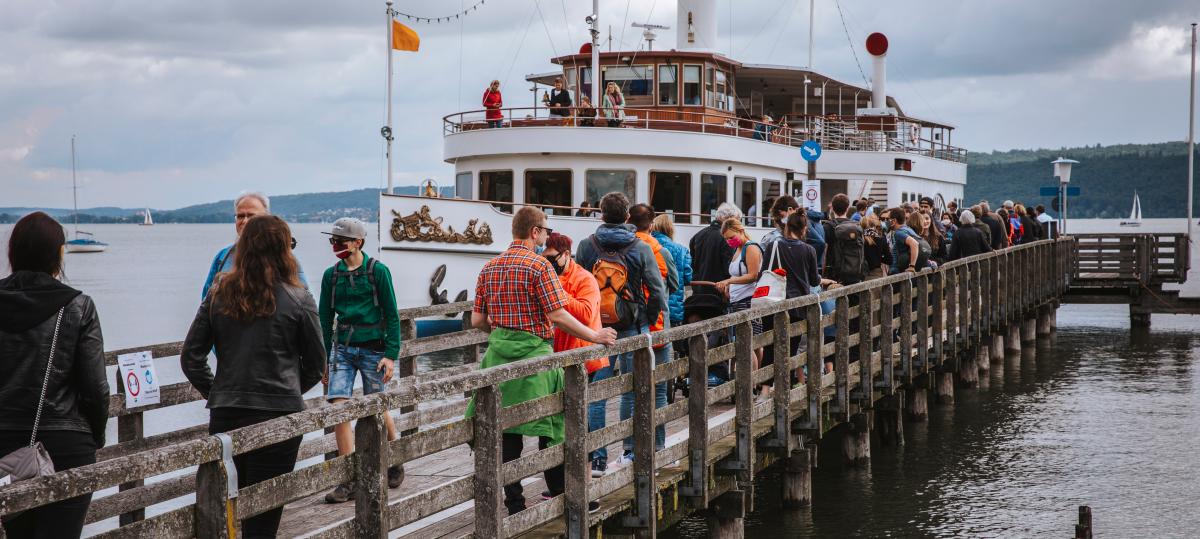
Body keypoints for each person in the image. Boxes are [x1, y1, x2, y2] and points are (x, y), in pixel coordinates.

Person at [181, 215, 326, 538]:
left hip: (227, 415)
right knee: (263, 519)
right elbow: (316, 363)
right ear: (284, 250)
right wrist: (288, 391)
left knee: (227, 508)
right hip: (279, 419)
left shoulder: (219, 292)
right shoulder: (299, 298)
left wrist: (218, 390)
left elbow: (191, 356)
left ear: (244, 249)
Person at [466, 206, 617, 515]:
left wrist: (501, 330)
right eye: (545, 230)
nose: (547, 235)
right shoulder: (539, 267)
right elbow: (558, 315)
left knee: (506, 431)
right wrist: (595, 336)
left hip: (497, 358)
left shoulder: (489, 267)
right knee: (552, 425)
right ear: (534, 232)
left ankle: (515, 504)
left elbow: (477, 319)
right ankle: (565, 495)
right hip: (535, 357)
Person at [0, 212, 109, 539]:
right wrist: (96, 436)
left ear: (12, 254)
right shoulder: (78, 306)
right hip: (66, 445)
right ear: (58, 254)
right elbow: (96, 388)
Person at [575, 193, 668, 470]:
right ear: (627, 216)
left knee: (598, 392)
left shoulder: (586, 246)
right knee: (630, 391)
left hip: (598, 330)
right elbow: (657, 290)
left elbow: (580, 286)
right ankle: (629, 451)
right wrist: (647, 319)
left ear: (601, 215)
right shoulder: (640, 247)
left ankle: (597, 458)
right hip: (631, 327)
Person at [318, 218, 405, 503]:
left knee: (377, 406)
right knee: (338, 405)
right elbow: (324, 319)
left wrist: (391, 356)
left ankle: (394, 457)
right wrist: (323, 360)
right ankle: (350, 477)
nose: (335, 247)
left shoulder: (378, 272)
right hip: (342, 348)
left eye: (340, 242)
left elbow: (392, 315)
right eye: (333, 242)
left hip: (373, 349)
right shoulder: (331, 276)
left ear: (358, 243)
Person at [542, 232, 609, 483]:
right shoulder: (548, 276)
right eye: (544, 258)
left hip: (582, 358)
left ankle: (585, 478)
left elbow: (586, 313)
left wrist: (557, 295)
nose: (547, 263)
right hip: (556, 356)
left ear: (566, 255)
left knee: (578, 417)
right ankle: (560, 482)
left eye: (551, 258)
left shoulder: (585, 279)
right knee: (555, 417)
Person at [202, 191, 307, 300]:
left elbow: (303, 298)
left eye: (252, 216)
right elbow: (206, 299)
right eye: (240, 216)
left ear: (267, 218)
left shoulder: (284, 258)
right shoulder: (223, 257)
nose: (245, 221)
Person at [716, 217, 764, 386]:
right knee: (753, 343)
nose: (729, 241)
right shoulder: (738, 248)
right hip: (737, 300)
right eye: (726, 239)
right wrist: (728, 285)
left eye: (731, 237)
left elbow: (753, 275)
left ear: (740, 231)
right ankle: (755, 382)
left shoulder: (750, 248)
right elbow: (737, 274)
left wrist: (729, 282)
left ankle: (751, 384)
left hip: (748, 300)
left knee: (748, 343)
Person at [650, 214, 693, 329]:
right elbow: (688, 278)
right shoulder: (681, 250)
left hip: (650, 309)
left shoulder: (645, 246)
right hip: (673, 309)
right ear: (670, 229)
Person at [821, 193, 866, 285]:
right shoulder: (856, 226)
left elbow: (824, 253)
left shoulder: (827, 227)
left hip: (834, 275)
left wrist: (823, 273)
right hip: (855, 274)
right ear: (848, 208)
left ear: (832, 208)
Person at [887, 207, 924, 274]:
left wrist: (912, 266)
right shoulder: (908, 229)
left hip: (896, 270)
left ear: (894, 221)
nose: (887, 222)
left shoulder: (898, 232)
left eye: (888, 219)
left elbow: (914, 244)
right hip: (902, 269)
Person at [860, 212, 892, 279]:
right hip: (875, 273)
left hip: (859, 273)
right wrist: (879, 258)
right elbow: (889, 259)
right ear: (874, 226)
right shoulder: (881, 239)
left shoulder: (859, 239)